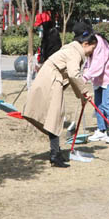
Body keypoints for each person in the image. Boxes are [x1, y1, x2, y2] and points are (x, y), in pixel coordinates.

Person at [22, 28, 96, 168]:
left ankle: (56, 152)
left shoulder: (72, 49)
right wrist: (85, 93)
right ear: (86, 44)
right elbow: (74, 75)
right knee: (54, 118)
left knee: (53, 118)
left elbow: (72, 76)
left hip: (50, 78)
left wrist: (82, 96)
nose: (92, 52)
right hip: (52, 80)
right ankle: (55, 156)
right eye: (92, 48)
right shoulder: (75, 53)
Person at [84, 29, 109, 144]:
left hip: (108, 78)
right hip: (98, 79)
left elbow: (98, 65)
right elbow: (89, 62)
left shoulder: (101, 45)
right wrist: (85, 70)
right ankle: (102, 130)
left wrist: (85, 77)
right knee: (98, 105)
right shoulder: (92, 42)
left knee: (106, 105)